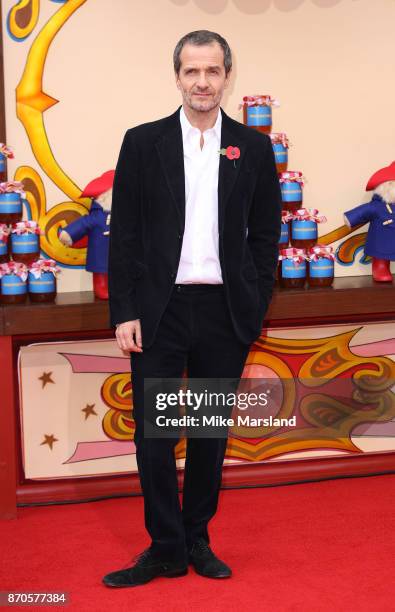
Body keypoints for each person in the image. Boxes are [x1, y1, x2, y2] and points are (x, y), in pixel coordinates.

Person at [103, 30, 282, 588]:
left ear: (227, 75)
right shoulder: (142, 142)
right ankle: (164, 547)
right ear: (176, 76)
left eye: (212, 71)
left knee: (208, 432)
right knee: (154, 433)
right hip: (159, 311)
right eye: (191, 71)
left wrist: (251, 304)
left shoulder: (251, 148)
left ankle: (197, 537)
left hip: (223, 312)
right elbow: (125, 233)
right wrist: (124, 309)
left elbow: (265, 238)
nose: (201, 82)